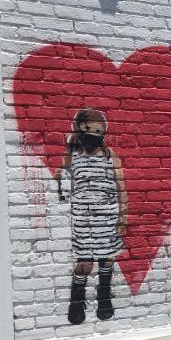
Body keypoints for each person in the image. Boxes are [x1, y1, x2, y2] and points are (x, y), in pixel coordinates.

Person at [56, 109, 127, 325]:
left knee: (106, 257)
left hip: (107, 216)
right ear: (78, 129)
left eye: (98, 131)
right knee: (84, 260)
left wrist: (122, 215)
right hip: (83, 218)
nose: (93, 134)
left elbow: (120, 186)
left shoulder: (109, 155)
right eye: (88, 129)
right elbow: (63, 177)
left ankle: (104, 297)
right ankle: (76, 302)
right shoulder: (73, 155)